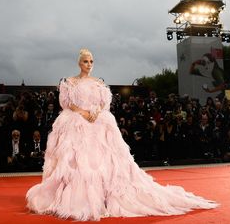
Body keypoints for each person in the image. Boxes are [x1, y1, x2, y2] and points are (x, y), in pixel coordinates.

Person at [26, 49, 218, 221]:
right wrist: (83, 112)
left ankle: (105, 197)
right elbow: (66, 103)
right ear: (79, 63)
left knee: (107, 162)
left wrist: (96, 111)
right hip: (76, 121)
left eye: (92, 61)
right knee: (75, 160)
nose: (89, 64)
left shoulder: (99, 83)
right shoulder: (69, 82)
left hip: (99, 122)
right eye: (86, 61)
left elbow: (104, 103)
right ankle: (77, 198)